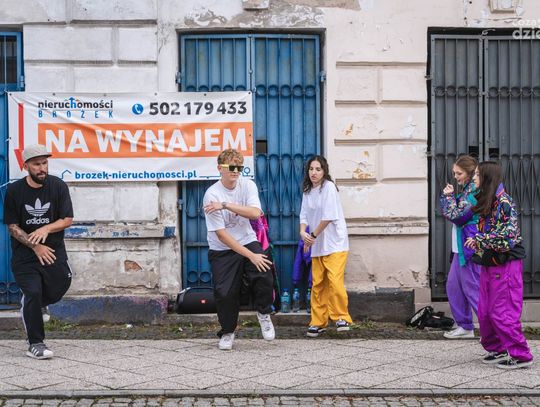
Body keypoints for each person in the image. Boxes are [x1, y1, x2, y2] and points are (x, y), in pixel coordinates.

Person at [3, 144, 73, 359]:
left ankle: (38, 304)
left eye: (44, 163)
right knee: (32, 293)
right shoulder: (15, 191)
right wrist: (35, 246)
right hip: (25, 255)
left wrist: (45, 229)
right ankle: (36, 343)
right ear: (26, 167)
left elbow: (67, 219)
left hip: (53, 250)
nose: (42, 168)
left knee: (62, 283)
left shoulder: (58, 186)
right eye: (36, 164)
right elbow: (13, 227)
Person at [203, 149, 275, 350]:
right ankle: (228, 332)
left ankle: (264, 313)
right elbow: (222, 235)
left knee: (264, 272)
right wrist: (251, 256)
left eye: (239, 167)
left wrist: (225, 205)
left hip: (247, 239)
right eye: (231, 167)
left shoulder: (247, 185)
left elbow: (255, 213)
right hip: (222, 248)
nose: (235, 171)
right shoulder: (211, 194)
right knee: (225, 293)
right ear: (220, 168)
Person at [464, 161, 532, 369]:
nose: (474, 178)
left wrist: (479, 240)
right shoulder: (489, 199)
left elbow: (507, 238)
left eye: (477, 175)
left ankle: (521, 355)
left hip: (505, 264)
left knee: (503, 310)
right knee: (485, 311)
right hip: (490, 262)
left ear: (486, 177)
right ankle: (498, 348)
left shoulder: (504, 202)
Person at [300, 155, 352, 337]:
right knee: (318, 284)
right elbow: (303, 215)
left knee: (335, 281)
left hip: (335, 243)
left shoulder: (328, 187)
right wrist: (303, 233)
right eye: (311, 169)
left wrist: (312, 236)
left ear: (324, 171)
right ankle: (318, 322)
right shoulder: (307, 191)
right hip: (317, 245)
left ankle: (341, 317)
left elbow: (328, 216)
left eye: (318, 169)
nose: (314, 173)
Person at [439, 155, 482, 339]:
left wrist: (448, 197)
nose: (456, 177)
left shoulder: (473, 192)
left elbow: (457, 216)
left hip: (469, 247)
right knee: (454, 287)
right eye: (454, 173)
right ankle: (465, 326)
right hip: (461, 248)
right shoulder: (467, 191)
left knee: (473, 289)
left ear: (470, 173)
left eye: (459, 173)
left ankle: (491, 331)